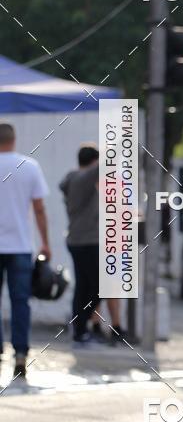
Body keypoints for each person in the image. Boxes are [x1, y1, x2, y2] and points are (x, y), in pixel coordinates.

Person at [0, 121, 51, 381]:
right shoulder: (28, 166)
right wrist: (45, 243)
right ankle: (20, 355)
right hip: (20, 246)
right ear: (14, 140)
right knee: (20, 302)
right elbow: (39, 209)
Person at [59, 144, 102, 346]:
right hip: (86, 241)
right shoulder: (81, 179)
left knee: (84, 287)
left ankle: (80, 330)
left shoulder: (73, 179)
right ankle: (80, 326)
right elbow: (100, 168)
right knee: (100, 287)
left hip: (78, 240)